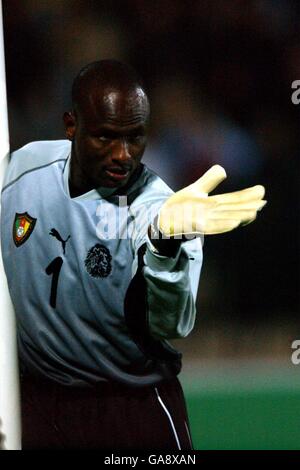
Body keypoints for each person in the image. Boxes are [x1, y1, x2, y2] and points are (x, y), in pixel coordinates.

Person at [0, 60, 266, 450]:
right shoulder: (21, 172)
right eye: (106, 137)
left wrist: (164, 246)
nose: (123, 154)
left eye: (135, 137)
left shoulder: (164, 212)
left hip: (130, 408)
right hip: (40, 404)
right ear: (71, 126)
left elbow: (172, 323)